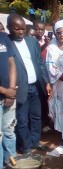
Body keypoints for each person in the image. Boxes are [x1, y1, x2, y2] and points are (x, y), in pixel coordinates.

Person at [7, 14, 51, 154]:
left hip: (36, 87)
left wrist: (47, 82)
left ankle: (35, 141)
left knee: (36, 117)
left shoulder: (31, 41)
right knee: (22, 120)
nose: (21, 32)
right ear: (9, 28)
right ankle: (25, 147)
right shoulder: (6, 43)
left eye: (23, 29)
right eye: (17, 29)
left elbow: (40, 63)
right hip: (20, 88)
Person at [0, 32, 17, 167]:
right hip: (4, 94)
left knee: (9, 132)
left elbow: (11, 63)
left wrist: (11, 90)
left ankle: (11, 163)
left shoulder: (4, 38)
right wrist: (5, 91)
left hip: (9, 96)